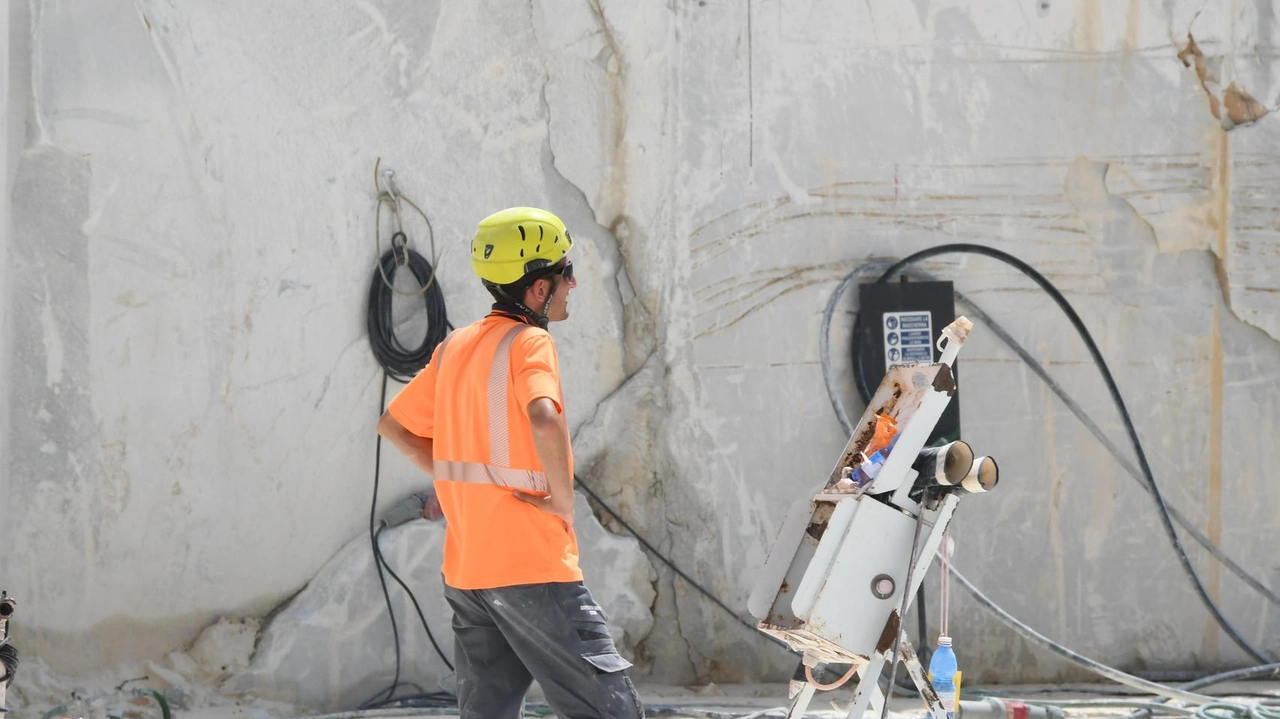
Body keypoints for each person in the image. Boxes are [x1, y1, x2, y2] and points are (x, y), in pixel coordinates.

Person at [377, 207, 644, 719]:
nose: (575, 282)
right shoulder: (530, 342)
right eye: (566, 272)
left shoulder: (456, 347)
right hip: (531, 565)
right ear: (539, 288)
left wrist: (452, 478)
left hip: (469, 571)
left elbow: (394, 424)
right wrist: (562, 503)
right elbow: (544, 418)